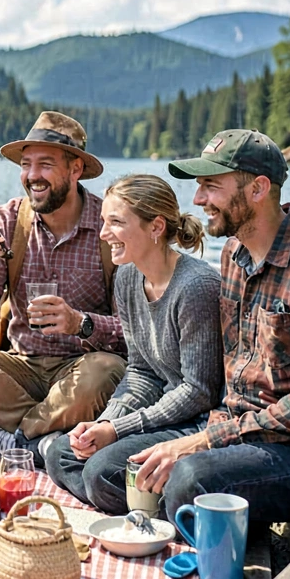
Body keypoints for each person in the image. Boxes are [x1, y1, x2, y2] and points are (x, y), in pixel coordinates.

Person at [124, 129, 290, 525]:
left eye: (210, 186)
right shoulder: (233, 254)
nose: (198, 199)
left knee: (188, 482)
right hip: (235, 430)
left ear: (258, 188)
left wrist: (206, 442)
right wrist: (204, 436)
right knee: (110, 470)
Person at [0, 111, 126, 465]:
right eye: (26, 165)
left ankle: (4, 438)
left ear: (75, 169)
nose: (32, 176)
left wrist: (80, 322)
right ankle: (45, 440)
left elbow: (135, 329)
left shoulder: (109, 227)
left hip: (81, 367)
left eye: (46, 164)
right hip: (21, 369)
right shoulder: (7, 220)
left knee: (106, 372)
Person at [44, 174, 224, 514]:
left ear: (155, 227)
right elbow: (140, 370)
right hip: (161, 415)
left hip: (197, 425)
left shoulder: (197, 287)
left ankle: (145, 504)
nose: (102, 233)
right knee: (60, 454)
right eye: (103, 221)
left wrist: (117, 429)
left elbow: (199, 391)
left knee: (99, 472)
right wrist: (103, 425)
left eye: (116, 222)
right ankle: (139, 501)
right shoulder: (127, 276)